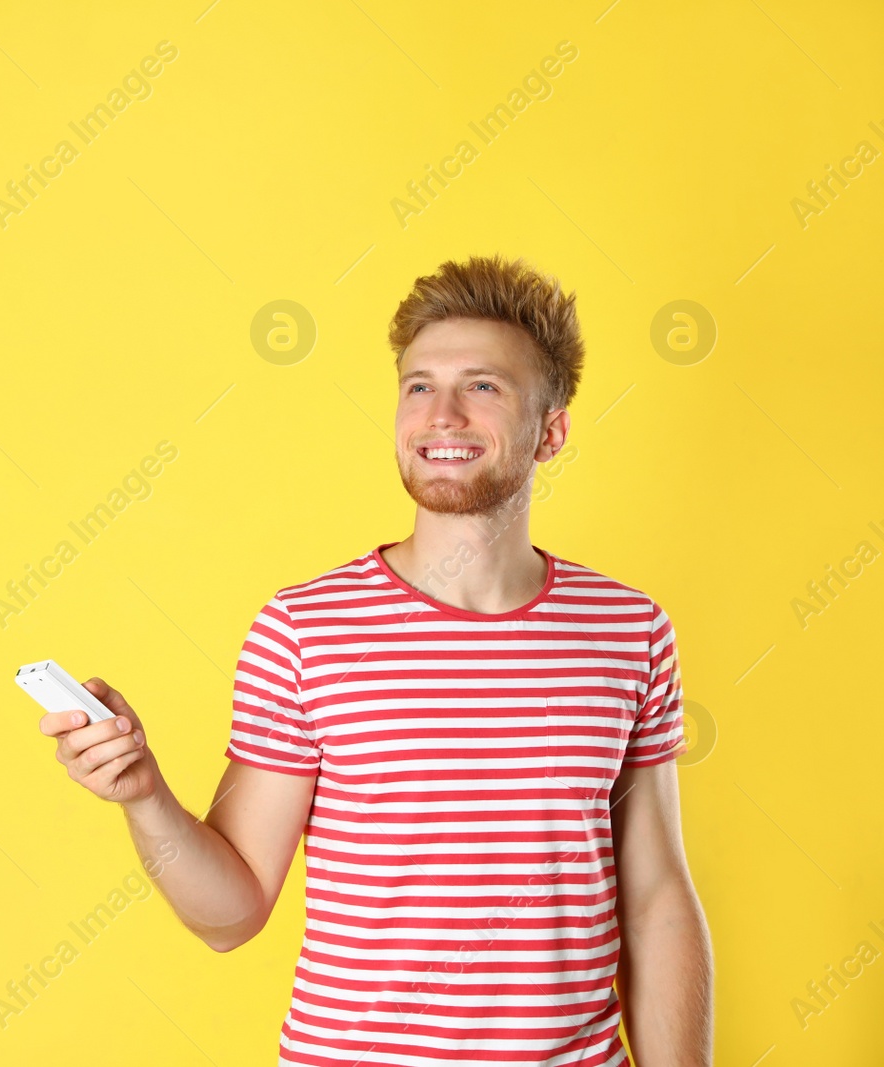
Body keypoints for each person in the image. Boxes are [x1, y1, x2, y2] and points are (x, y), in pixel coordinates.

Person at [38, 254, 712, 1066]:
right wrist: (145, 797)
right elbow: (234, 913)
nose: (442, 415)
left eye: (484, 387)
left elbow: (656, 900)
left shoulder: (627, 628)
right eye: (419, 385)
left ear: (552, 429)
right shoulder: (303, 627)